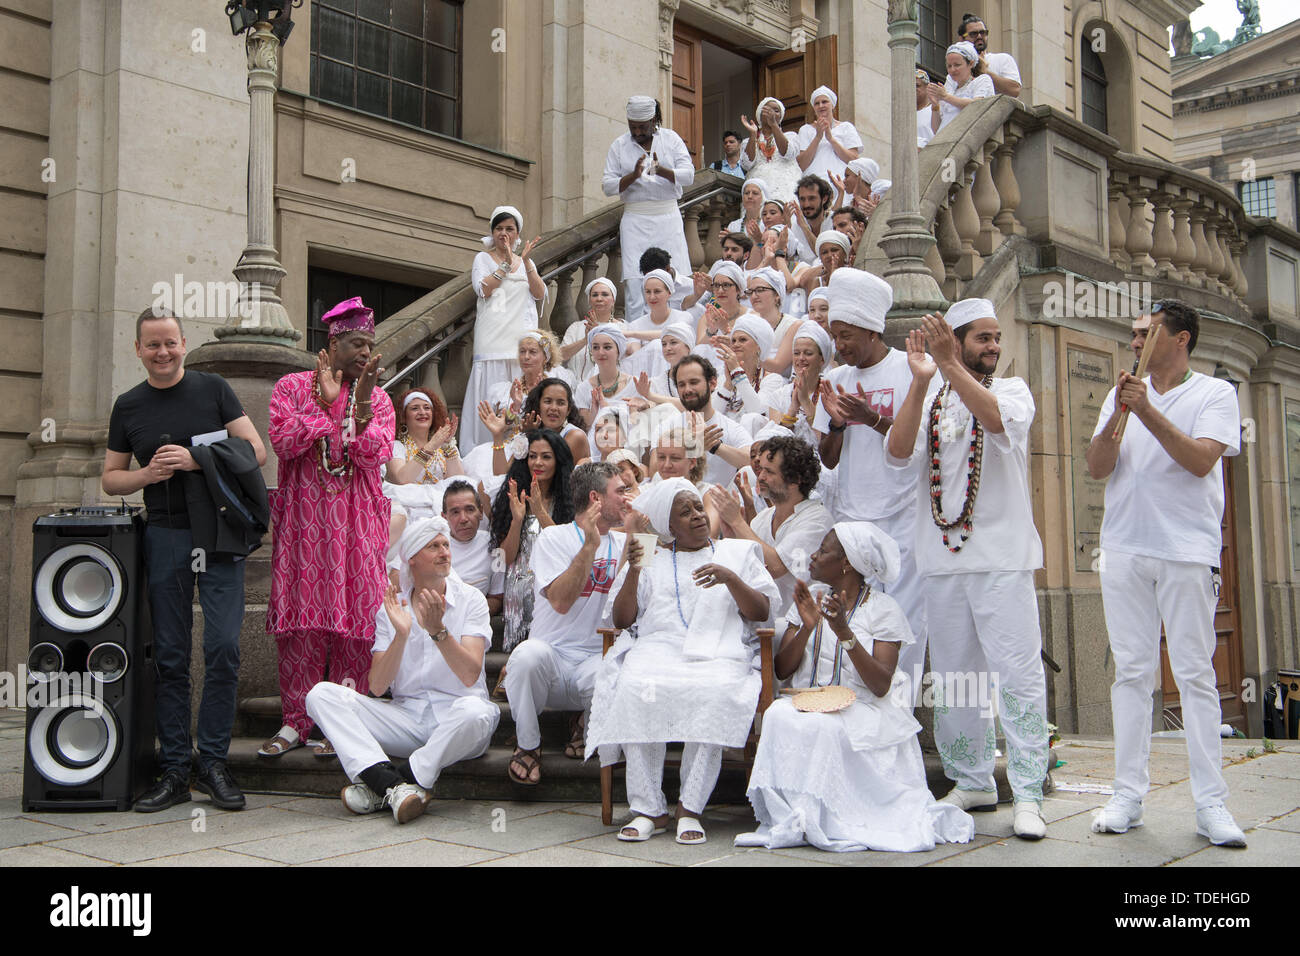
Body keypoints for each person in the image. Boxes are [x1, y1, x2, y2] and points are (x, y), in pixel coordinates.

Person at [884, 297, 1050, 840]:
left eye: (996, 338)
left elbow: (997, 423)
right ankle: (972, 778)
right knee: (958, 679)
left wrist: (951, 365)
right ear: (957, 339)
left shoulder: (1012, 392)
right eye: (983, 337)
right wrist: (919, 379)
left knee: (1016, 676)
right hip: (942, 561)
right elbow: (897, 452)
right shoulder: (931, 397)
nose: (995, 347)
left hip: (1001, 560)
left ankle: (1026, 791)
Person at [1085, 301, 1248, 847]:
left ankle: (1211, 805)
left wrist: (1147, 410)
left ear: (1180, 339)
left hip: (1185, 551)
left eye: (1146, 333)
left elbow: (1202, 460)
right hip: (1125, 548)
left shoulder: (1215, 394)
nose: (1135, 342)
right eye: (1132, 334)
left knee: (1195, 675)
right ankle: (1127, 794)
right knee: (1131, 673)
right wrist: (1121, 414)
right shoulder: (1121, 393)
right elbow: (1097, 466)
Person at [103, 307, 268, 812]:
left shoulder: (213, 388)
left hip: (217, 534)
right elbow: (111, 478)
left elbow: (256, 450)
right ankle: (175, 769)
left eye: (170, 343)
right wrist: (149, 474)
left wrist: (198, 459)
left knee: (221, 648)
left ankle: (213, 762)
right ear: (138, 350)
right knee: (171, 656)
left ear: (183, 343)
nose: (163, 352)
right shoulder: (128, 406)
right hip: (166, 536)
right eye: (152, 345)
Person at [736, 524, 976, 852]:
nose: (814, 556)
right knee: (778, 714)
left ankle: (828, 819)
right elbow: (782, 669)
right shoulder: (812, 598)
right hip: (809, 700)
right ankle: (794, 817)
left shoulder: (883, 610)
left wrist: (844, 632)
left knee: (825, 726)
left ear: (846, 562)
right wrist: (807, 628)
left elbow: (879, 684)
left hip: (864, 708)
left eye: (823, 551)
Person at [589, 478, 778, 844]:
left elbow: (762, 611)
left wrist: (731, 579)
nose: (697, 516)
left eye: (697, 508)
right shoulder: (651, 556)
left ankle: (690, 807)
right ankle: (649, 808)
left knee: (716, 691)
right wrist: (633, 570)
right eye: (685, 512)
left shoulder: (735, 553)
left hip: (720, 652)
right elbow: (622, 620)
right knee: (634, 685)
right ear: (669, 525)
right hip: (659, 649)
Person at [263, 297, 395, 759]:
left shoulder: (377, 397)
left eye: (370, 344)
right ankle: (296, 721)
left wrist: (354, 408)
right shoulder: (291, 386)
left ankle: (341, 720)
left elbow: (372, 454)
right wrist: (324, 404)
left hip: (358, 527)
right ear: (333, 342)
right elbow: (282, 441)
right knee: (302, 623)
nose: (365, 353)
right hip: (305, 527)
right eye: (358, 343)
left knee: (355, 624)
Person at [305, 517, 499, 823]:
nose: (444, 552)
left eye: (446, 544)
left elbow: (470, 675)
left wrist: (438, 632)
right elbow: (378, 687)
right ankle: (397, 787)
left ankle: (389, 782)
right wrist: (401, 635)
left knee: (477, 712)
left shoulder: (471, 600)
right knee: (321, 695)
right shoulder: (392, 608)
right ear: (412, 559)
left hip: (458, 723)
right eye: (433, 546)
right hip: (406, 718)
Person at [814, 269, 926, 680]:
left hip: (902, 518)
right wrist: (839, 425)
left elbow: (917, 445)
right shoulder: (837, 380)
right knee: (853, 620)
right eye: (835, 335)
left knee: (902, 621)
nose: (839, 346)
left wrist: (872, 417)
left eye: (847, 336)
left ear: (872, 331)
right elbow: (827, 460)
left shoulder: (910, 370)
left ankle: (899, 722)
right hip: (850, 519)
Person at [503, 461, 631, 785]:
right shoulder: (555, 538)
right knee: (525, 656)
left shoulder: (625, 543)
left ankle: (585, 728)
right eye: (621, 492)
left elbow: (634, 605)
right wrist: (590, 546)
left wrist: (641, 539)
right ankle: (529, 746)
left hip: (596, 659)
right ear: (596, 499)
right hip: (553, 665)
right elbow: (560, 601)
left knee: (614, 670)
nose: (627, 499)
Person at [706, 436, 830, 621]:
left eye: (769, 472)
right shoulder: (763, 518)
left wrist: (738, 522)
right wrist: (732, 533)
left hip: (799, 626)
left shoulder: (817, 520)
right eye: (761, 469)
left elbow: (776, 567)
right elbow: (749, 567)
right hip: (763, 621)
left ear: (795, 479)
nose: (761, 477)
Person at [461, 206, 546, 448]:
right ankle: (482, 450)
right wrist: (506, 265)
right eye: (499, 228)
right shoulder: (483, 258)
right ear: (492, 232)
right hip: (492, 340)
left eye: (510, 229)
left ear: (518, 234)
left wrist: (525, 261)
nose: (504, 233)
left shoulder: (526, 261)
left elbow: (539, 293)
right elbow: (484, 289)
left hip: (520, 343)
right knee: (490, 397)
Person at [602, 95, 694, 319]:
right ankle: (636, 336)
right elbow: (607, 186)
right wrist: (633, 175)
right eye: (632, 126)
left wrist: (661, 170)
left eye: (642, 127)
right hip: (635, 219)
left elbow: (689, 175)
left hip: (668, 216)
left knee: (675, 275)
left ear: (654, 120)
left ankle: (677, 331)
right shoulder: (619, 145)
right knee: (635, 281)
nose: (637, 131)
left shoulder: (671, 139)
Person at [489, 430, 576, 655]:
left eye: (546, 456)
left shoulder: (572, 500)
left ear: (558, 460)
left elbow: (567, 549)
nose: (538, 462)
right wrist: (517, 520)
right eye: (532, 456)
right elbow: (502, 560)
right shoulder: (511, 496)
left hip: (556, 581)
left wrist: (539, 512)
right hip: (518, 583)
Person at [672, 354, 753, 487]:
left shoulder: (730, 428)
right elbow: (656, 472)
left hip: (719, 502)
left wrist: (715, 446)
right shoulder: (667, 426)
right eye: (681, 384)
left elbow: (752, 461)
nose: (687, 390)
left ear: (712, 383)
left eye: (693, 382)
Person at [383, 387, 462, 520]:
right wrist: (430, 447)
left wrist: (447, 445)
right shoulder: (396, 446)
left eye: (427, 408)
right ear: (403, 416)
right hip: (409, 512)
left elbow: (458, 482)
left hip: (443, 511)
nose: (422, 412)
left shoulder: (443, 446)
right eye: (414, 408)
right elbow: (401, 479)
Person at [440, 478, 504, 614]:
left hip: (475, 618)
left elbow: (497, 598)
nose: (463, 519)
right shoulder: (432, 546)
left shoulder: (495, 545)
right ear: (444, 517)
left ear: (481, 512)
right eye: (455, 512)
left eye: (469, 509)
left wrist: (467, 615)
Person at [770, 320, 834, 450]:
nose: (801, 358)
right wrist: (792, 409)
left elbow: (826, 444)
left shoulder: (830, 393)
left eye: (808, 353)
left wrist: (805, 401)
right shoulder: (779, 395)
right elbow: (775, 446)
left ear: (822, 359)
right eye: (796, 353)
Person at [713, 313, 787, 419]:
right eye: (733, 340)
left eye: (742, 340)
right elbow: (711, 417)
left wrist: (737, 373)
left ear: (759, 346)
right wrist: (728, 384)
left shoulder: (772, 379)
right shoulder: (724, 378)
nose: (736, 344)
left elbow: (758, 414)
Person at [795, 86, 862, 189]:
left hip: (841, 184)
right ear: (814, 108)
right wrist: (818, 137)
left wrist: (831, 139)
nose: (821, 105)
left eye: (824, 102)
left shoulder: (846, 127)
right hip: (813, 187)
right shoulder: (805, 130)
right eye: (817, 103)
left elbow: (854, 160)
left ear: (832, 105)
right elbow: (801, 165)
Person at [577, 324, 642, 427]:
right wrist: (594, 410)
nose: (601, 352)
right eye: (595, 347)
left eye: (607, 347)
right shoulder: (583, 388)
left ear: (618, 350)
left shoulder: (634, 384)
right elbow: (585, 429)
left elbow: (637, 427)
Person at [739, 96, 801, 203]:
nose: (771, 113)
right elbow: (747, 164)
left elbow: (788, 153)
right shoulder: (748, 141)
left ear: (780, 117)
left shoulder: (791, 136)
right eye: (767, 110)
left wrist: (773, 125)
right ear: (759, 115)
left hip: (785, 188)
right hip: (758, 190)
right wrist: (753, 135)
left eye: (776, 111)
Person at [560, 277, 621, 382]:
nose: (599, 298)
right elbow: (559, 356)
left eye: (605, 294)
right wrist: (585, 340)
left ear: (613, 300)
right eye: (595, 295)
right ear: (589, 300)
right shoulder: (576, 327)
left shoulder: (622, 327)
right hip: (575, 388)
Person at [929, 41, 995, 135]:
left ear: (971, 64)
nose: (952, 70)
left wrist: (946, 97)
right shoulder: (949, 90)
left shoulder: (982, 80)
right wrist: (935, 106)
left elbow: (977, 105)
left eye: (957, 65)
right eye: (949, 66)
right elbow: (936, 130)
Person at [958, 14, 1022, 97]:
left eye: (983, 33)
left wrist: (982, 70)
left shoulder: (1002, 59)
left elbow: (1014, 90)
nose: (979, 36)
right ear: (961, 38)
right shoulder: (955, 65)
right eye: (973, 34)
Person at [786, 174, 834, 267]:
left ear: (824, 199)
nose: (806, 204)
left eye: (812, 198)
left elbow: (823, 254)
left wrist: (804, 227)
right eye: (802, 199)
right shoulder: (795, 225)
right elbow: (790, 262)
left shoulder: (834, 222)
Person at [916, 68, 937, 148]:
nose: (913, 89)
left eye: (917, 85)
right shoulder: (904, 113)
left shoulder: (935, 109)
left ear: (927, 88)